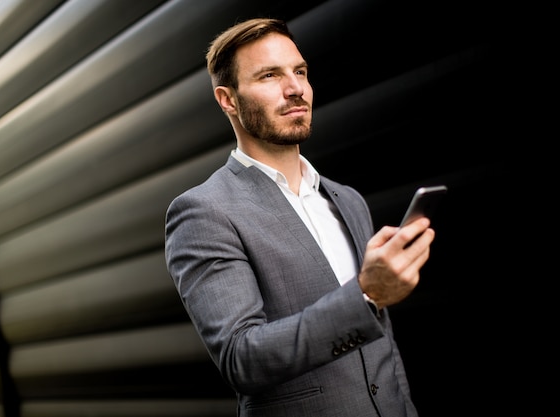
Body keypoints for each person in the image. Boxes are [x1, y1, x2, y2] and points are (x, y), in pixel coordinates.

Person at [164, 17, 434, 417]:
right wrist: (365, 295)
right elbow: (242, 358)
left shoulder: (349, 199)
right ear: (228, 100)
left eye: (300, 72)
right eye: (269, 75)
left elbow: (384, 352)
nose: (295, 89)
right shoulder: (204, 211)